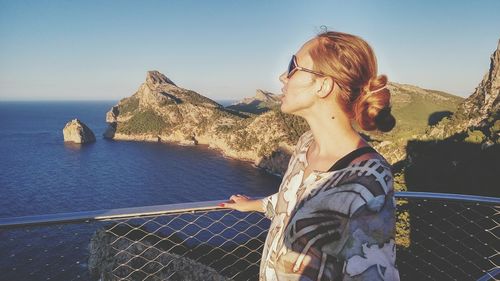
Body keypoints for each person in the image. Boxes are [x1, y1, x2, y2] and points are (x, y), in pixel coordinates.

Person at [220, 30, 400, 281]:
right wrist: (255, 204)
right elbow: (295, 198)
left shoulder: (368, 179)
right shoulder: (306, 145)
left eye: (292, 66)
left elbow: (374, 272)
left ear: (323, 85)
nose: (283, 76)